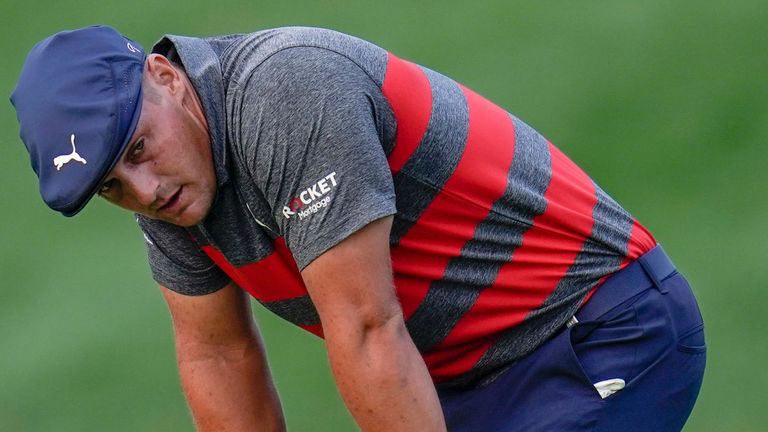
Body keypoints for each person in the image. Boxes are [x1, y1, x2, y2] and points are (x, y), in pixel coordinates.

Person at [10, 25, 706, 431]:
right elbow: (215, 356)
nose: (145, 191)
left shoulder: (286, 94)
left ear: (164, 75)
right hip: (472, 382)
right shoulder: (170, 185)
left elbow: (368, 328)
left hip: (602, 329)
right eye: (111, 187)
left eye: (136, 150)